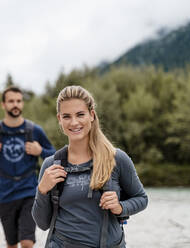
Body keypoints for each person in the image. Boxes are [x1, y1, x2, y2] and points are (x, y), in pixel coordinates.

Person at [32, 85, 148, 248]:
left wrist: (120, 207)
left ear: (91, 115)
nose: (74, 122)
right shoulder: (51, 165)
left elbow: (141, 199)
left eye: (80, 114)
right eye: (66, 116)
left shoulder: (116, 158)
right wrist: (42, 190)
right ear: (59, 119)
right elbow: (42, 224)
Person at [0, 86, 55, 248]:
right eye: (11, 101)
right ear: (3, 105)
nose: (15, 104)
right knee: (11, 244)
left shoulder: (34, 130)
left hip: (29, 191)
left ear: (22, 104)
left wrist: (40, 151)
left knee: (27, 242)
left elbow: (54, 156)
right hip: (5, 194)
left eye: (18, 101)